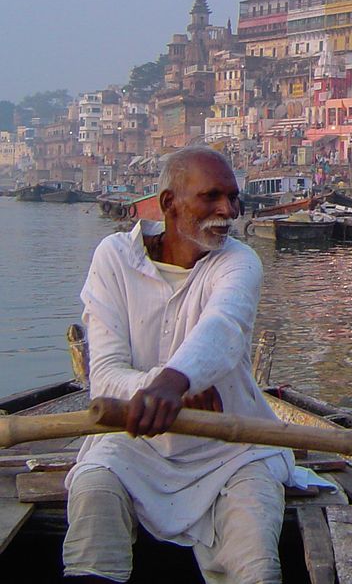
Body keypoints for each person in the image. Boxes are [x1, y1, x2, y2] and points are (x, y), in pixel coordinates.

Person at [64, 146, 301, 582]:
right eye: (211, 197)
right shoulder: (114, 257)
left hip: (232, 445)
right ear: (169, 203)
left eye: (232, 198)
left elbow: (224, 328)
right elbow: (106, 379)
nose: (227, 210)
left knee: (256, 561)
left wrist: (174, 384)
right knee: (93, 496)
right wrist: (167, 387)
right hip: (136, 441)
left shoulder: (239, 261)